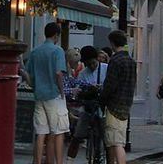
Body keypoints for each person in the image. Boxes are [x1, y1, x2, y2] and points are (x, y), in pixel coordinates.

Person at [27, 21, 69, 164]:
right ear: (56, 35)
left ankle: (38, 162)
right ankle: (59, 163)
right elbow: (58, 73)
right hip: (54, 95)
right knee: (58, 132)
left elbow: (28, 75)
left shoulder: (35, 51)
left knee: (41, 132)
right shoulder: (58, 51)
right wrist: (62, 92)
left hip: (39, 95)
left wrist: (35, 86)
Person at [99, 30, 136, 164]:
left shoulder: (115, 60)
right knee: (119, 140)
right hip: (126, 105)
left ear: (113, 43)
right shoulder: (131, 61)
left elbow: (110, 85)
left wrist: (102, 99)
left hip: (114, 105)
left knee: (115, 142)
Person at [67, 45, 108, 159]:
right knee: (78, 135)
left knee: (106, 137)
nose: (92, 66)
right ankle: (69, 159)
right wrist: (89, 90)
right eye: (88, 64)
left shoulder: (106, 68)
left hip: (102, 108)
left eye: (93, 63)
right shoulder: (83, 74)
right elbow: (79, 92)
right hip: (88, 108)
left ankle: (104, 158)